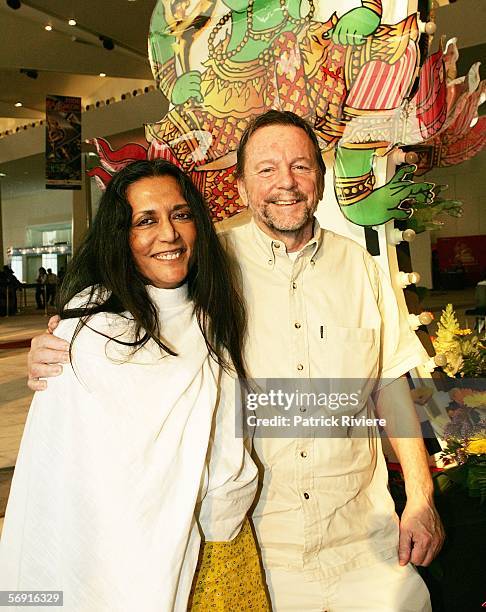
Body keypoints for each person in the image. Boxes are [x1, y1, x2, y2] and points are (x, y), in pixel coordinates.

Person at [28, 111, 444, 611]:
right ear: (242, 187)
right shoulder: (206, 268)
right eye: (266, 170)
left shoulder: (362, 268)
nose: (285, 183)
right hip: (263, 548)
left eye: (301, 167)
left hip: (367, 541)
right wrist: (63, 343)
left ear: (322, 177)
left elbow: (391, 383)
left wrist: (420, 498)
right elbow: (130, 316)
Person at [1, 159, 267, 611]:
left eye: (180, 215)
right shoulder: (89, 333)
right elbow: (56, 480)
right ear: (120, 237)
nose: (169, 234)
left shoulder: (214, 311)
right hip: (116, 562)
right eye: (146, 220)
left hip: (223, 549)